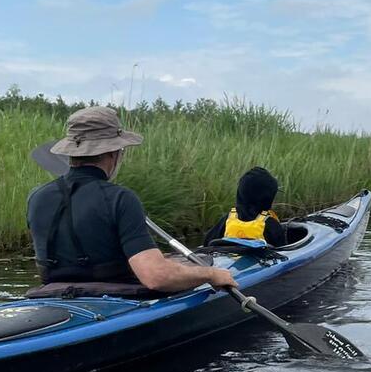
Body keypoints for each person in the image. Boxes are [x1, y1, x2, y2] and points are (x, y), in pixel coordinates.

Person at [27, 106, 238, 293]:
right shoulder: (120, 198)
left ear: (71, 152)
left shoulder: (37, 197)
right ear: (115, 153)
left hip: (54, 295)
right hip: (117, 297)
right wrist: (210, 274)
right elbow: (156, 278)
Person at [204, 166, 287, 246]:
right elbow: (284, 251)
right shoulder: (271, 225)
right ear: (267, 199)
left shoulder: (226, 220)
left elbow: (207, 242)